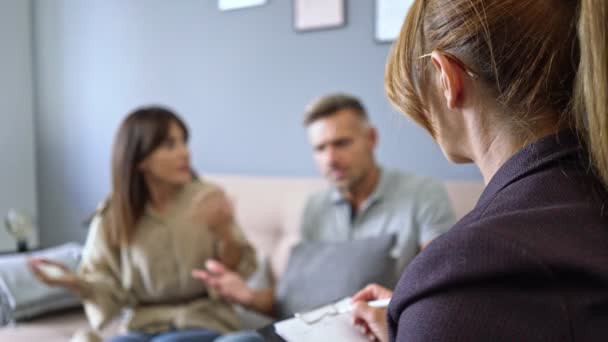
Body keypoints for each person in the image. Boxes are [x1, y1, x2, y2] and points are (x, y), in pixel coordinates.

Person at [351, 0, 608, 341]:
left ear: (447, 77)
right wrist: (419, 320)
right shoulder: (588, 201)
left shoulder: (472, 272)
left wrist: (436, 310)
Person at [195, 94, 455, 341]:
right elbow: (296, 300)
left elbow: (440, 284)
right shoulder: (314, 208)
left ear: (371, 139)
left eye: (341, 143)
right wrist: (248, 296)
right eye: (320, 148)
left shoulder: (423, 193)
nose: (330, 159)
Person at [29, 106, 257, 342]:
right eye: (170, 145)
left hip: (204, 321)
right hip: (144, 326)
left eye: (184, 142)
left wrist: (225, 234)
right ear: (140, 159)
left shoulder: (208, 198)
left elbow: (236, 275)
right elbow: (107, 286)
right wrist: (74, 282)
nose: (185, 153)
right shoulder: (114, 214)